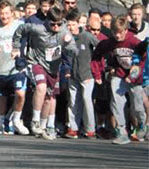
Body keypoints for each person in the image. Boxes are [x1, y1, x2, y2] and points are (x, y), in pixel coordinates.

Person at [12, 8, 76, 140]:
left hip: (53, 67)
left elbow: (74, 50)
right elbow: (21, 29)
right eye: (53, 24)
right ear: (47, 21)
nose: (56, 27)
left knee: (49, 98)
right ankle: (35, 120)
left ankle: (43, 125)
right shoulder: (38, 28)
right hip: (36, 63)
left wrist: (69, 43)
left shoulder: (64, 31)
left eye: (59, 24)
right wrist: (16, 47)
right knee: (41, 87)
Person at [92, 16, 147, 144]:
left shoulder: (135, 42)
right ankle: (121, 131)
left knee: (137, 105)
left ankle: (141, 124)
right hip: (120, 74)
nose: (117, 35)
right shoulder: (110, 42)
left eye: (120, 32)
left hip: (136, 77)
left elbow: (143, 62)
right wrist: (97, 73)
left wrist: (133, 75)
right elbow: (97, 54)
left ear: (126, 30)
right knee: (116, 101)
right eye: (114, 32)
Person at [0, 1, 29, 135]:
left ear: (12, 13)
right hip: (1, 66)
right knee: (1, 96)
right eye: (1, 14)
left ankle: (16, 120)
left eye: (7, 13)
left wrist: (21, 51)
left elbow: (28, 40)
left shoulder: (20, 25)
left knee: (20, 93)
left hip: (17, 67)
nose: (4, 16)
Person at [64, 11, 100, 139]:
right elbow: (64, 55)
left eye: (73, 24)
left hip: (87, 74)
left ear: (79, 24)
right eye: (68, 25)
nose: (71, 28)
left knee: (87, 99)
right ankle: (73, 128)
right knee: (73, 101)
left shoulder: (87, 36)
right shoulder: (66, 38)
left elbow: (100, 47)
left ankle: (90, 129)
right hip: (72, 75)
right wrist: (67, 69)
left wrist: (97, 69)